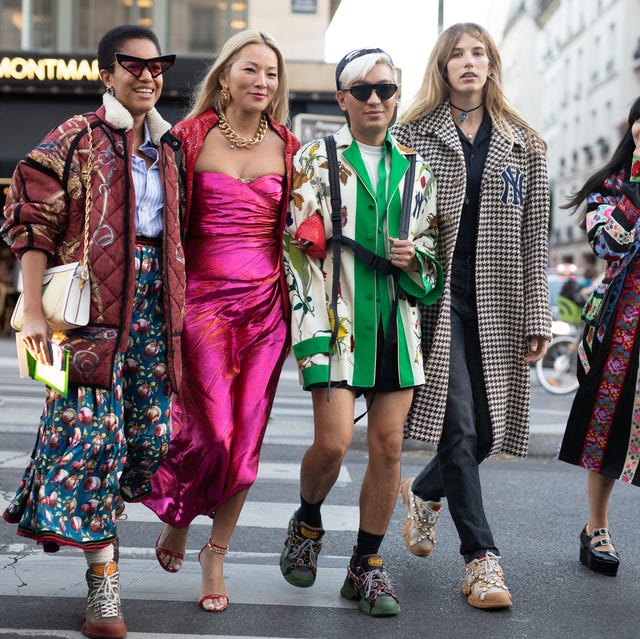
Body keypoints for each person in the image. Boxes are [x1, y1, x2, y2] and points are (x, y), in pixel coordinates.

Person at [1, 24, 184, 639]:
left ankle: (80, 504)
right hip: (87, 317)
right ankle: (103, 588)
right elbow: (32, 223)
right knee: (93, 444)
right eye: (132, 65)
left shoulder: (171, 148)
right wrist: (30, 313)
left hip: (157, 314)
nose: (146, 76)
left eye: (156, 66)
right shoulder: (74, 139)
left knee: (152, 440)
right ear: (106, 74)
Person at [391, 22, 552, 609]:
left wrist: (538, 313)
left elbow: (537, 236)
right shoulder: (412, 135)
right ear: (441, 67)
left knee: (486, 431)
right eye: (455, 54)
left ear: (491, 64)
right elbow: (395, 211)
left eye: (477, 53)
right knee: (457, 425)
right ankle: (481, 560)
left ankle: (425, 492)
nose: (467, 62)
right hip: (436, 300)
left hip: (501, 303)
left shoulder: (525, 143)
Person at [279, 48, 443, 618]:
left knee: (390, 446)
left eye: (387, 89)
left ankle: (367, 565)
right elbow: (296, 254)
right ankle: (307, 517)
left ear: (397, 96)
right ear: (342, 99)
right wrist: (310, 334)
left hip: (396, 322)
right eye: (364, 90)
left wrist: (414, 257)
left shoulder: (417, 169)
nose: (376, 99)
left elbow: (431, 254)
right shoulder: (315, 159)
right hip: (336, 321)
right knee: (332, 444)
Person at [142, 30, 299, 612]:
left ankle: (217, 552)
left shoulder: (289, 145)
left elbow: (306, 227)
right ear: (226, 74)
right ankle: (180, 511)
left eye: (273, 74)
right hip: (202, 303)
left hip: (266, 306)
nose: (263, 82)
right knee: (210, 430)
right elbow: (156, 221)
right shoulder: (184, 138)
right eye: (252, 69)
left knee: (248, 438)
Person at [559, 96, 640, 577]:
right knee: (608, 427)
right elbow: (608, 244)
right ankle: (597, 526)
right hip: (623, 326)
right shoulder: (608, 188)